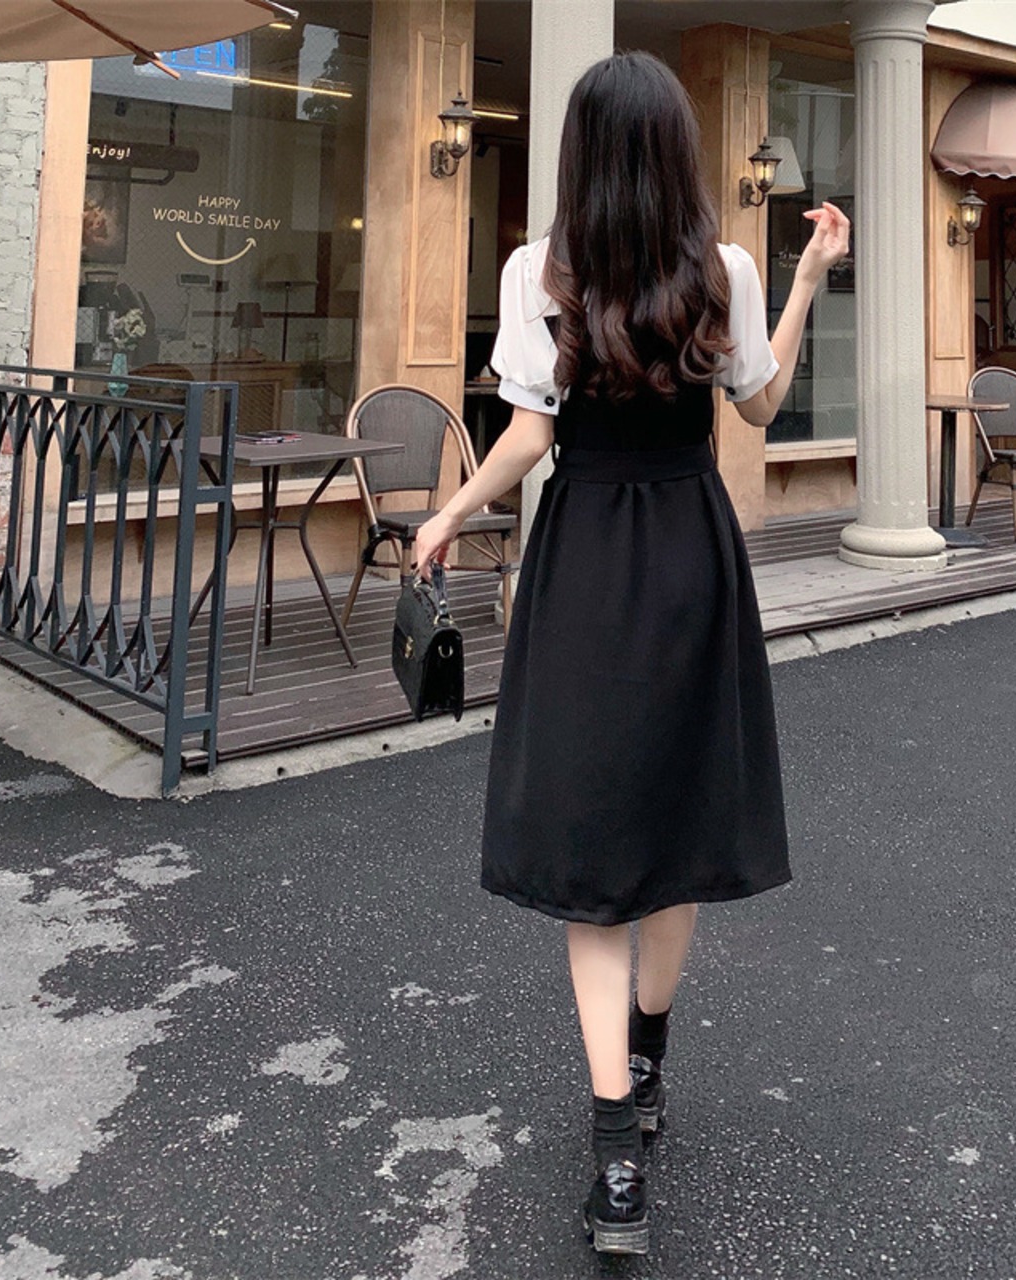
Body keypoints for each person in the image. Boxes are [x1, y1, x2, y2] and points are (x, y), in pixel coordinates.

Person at [413, 50, 849, 1256]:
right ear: (674, 150)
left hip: (586, 555)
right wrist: (805, 280)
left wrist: (449, 513)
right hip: (692, 550)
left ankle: (616, 1155)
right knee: (674, 814)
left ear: (581, 153)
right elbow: (758, 408)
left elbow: (526, 438)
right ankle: (645, 1063)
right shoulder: (724, 268)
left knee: (594, 829)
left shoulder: (537, 270)